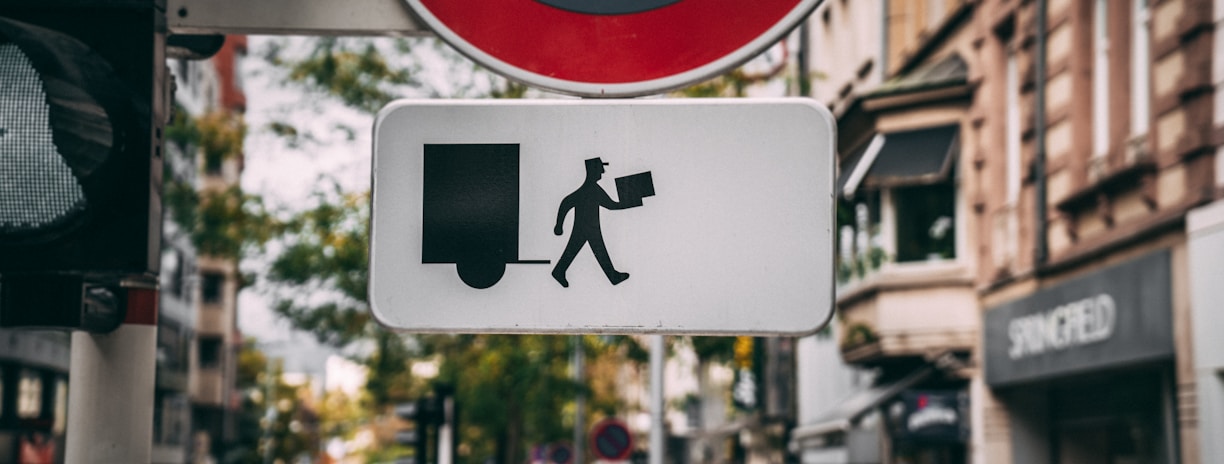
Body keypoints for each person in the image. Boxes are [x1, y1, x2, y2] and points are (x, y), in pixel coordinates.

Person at [552, 157, 632, 287]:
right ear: (593, 170)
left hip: (586, 228)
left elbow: (567, 202)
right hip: (589, 228)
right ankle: (612, 276)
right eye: (600, 169)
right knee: (598, 251)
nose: (603, 172)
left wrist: (559, 224)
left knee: (574, 250)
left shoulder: (592, 189)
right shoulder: (591, 189)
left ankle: (559, 271)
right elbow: (567, 202)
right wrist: (559, 225)